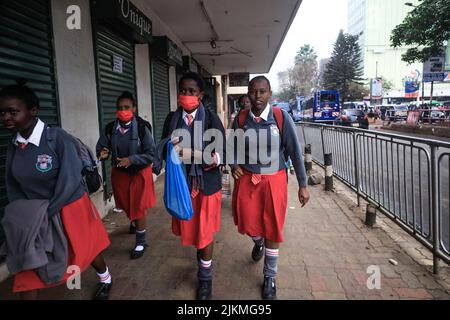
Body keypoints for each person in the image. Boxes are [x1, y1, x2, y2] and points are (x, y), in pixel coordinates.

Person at [0, 81, 112, 300]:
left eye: (13, 112)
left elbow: (70, 180)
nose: (6, 118)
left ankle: (105, 277)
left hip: (68, 207)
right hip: (34, 216)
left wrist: (49, 210)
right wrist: (21, 214)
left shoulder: (57, 139)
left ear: (33, 111)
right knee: (28, 268)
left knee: (86, 249)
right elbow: (12, 184)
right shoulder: (14, 144)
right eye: (2, 113)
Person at [230, 76, 310, 300]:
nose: (257, 96)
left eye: (262, 91)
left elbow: (295, 152)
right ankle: (258, 241)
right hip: (247, 179)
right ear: (248, 93)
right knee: (246, 221)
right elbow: (231, 146)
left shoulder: (280, 117)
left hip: (274, 180)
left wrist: (303, 185)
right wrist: (234, 163)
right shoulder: (241, 118)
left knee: (273, 227)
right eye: (253, 92)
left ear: (270, 93)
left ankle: (270, 276)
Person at [160, 72, 225, 300]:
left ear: (200, 95)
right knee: (194, 231)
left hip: (206, 186)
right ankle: (202, 261)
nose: (187, 95)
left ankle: (205, 280)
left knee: (205, 234)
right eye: (183, 91)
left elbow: (221, 156)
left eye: (192, 91)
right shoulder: (172, 119)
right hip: (182, 186)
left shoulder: (211, 119)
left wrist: (193, 154)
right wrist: (168, 150)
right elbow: (162, 149)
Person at [96, 91, 156, 260]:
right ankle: (134, 222)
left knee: (139, 206)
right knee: (126, 203)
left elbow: (150, 153)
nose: (123, 111)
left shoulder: (143, 128)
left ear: (134, 109)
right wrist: (103, 153)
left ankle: (141, 241)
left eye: (127, 107)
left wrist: (132, 159)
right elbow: (101, 146)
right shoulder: (110, 128)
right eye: (120, 108)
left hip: (139, 172)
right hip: (120, 174)